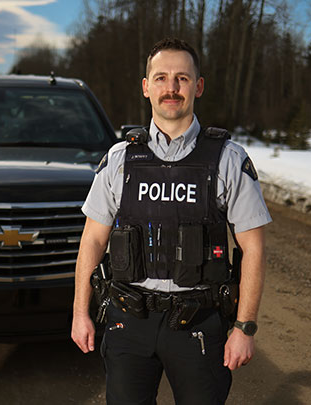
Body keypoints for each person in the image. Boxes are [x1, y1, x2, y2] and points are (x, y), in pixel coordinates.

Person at [71, 38, 271, 404]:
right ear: (146, 87)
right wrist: (79, 313)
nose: (171, 88)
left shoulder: (227, 159)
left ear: (199, 86)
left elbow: (253, 248)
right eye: (161, 78)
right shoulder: (120, 159)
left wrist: (244, 327)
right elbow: (93, 242)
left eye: (182, 78)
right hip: (128, 321)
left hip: (198, 322)